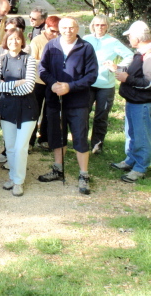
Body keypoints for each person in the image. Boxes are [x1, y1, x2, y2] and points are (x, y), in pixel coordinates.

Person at [38, 17, 98, 195]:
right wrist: (53, 84)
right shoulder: (51, 45)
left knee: (79, 137)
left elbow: (91, 75)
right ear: (59, 28)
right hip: (55, 99)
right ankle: (58, 169)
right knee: (57, 135)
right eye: (64, 27)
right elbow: (42, 69)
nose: (68, 30)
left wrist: (70, 87)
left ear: (77, 28)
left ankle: (84, 175)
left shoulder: (86, 47)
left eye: (71, 27)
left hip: (78, 101)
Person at [0, 28, 38, 197]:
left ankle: (19, 182)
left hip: (27, 108)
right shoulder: (0, 60)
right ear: (6, 41)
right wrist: (17, 83)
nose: (14, 42)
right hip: (7, 108)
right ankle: (12, 177)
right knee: (10, 147)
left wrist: (8, 87)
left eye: (17, 39)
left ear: (22, 41)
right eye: (10, 39)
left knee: (20, 147)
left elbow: (29, 87)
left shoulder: (30, 60)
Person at [83, 15, 133, 154]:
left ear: (107, 26)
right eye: (97, 25)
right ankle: (82, 142)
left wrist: (117, 67)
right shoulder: (86, 39)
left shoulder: (113, 41)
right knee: (83, 113)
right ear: (92, 25)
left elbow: (130, 55)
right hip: (88, 83)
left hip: (106, 85)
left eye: (103, 25)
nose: (100, 27)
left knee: (101, 115)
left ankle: (97, 145)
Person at [112, 21, 151, 183]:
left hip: (142, 103)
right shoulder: (140, 53)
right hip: (133, 100)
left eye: (129, 36)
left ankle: (140, 167)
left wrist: (127, 78)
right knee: (132, 133)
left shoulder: (148, 55)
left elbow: (148, 82)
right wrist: (117, 69)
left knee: (142, 136)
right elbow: (135, 73)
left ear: (137, 37)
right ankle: (131, 160)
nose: (128, 38)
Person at [28, 15, 61, 150]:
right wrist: (45, 63)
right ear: (46, 27)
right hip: (38, 80)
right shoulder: (37, 40)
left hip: (52, 81)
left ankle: (45, 139)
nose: (55, 34)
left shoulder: (60, 41)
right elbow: (32, 60)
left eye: (57, 32)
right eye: (52, 31)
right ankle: (30, 141)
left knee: (50, 111)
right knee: (34, 111)